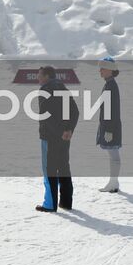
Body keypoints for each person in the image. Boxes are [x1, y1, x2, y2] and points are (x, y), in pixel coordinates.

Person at [35, 65, 77, 213]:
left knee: (49, 170)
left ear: (47, 76)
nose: (38, 78)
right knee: (64, 167)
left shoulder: (45, 90)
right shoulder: (64, 89)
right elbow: (75, 111)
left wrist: (60, 132)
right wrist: (68, 130)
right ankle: (66, 202)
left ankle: (49, 204)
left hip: (50, 137)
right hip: (65, 138)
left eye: (40, 75)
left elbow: (46, 116)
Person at [97, 57, 123, 193]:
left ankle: (113, 183)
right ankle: (114, 182)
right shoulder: (109, 84)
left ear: (110, 70)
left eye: (103, 68)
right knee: (113, 155)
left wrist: (109, 130)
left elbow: (111, 110)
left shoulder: (111, 85)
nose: (100, 71)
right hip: (109, 126)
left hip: (110, 127)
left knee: (113, 155)